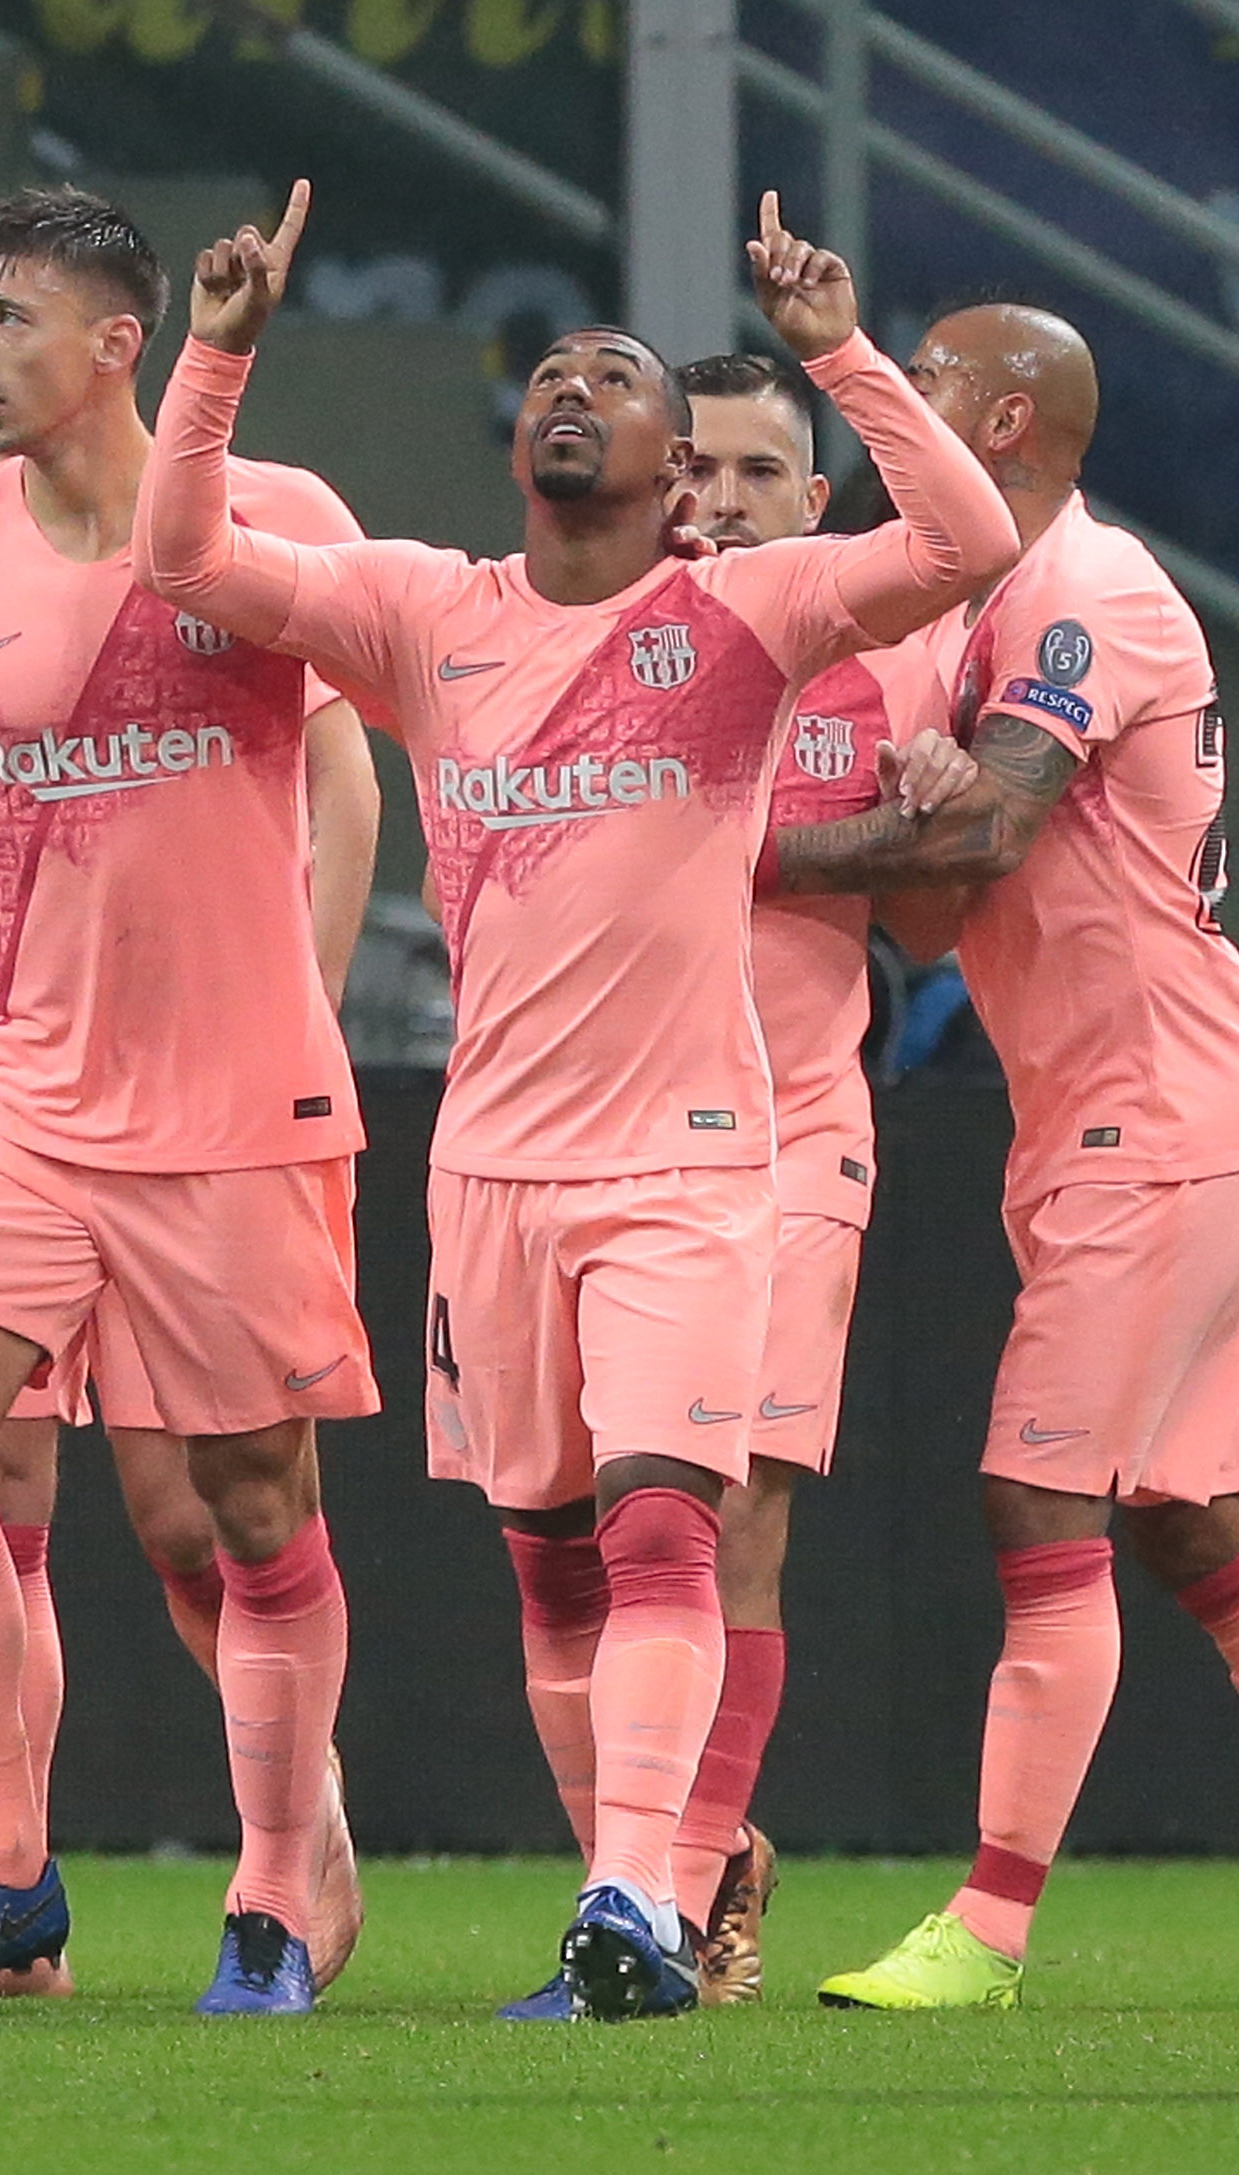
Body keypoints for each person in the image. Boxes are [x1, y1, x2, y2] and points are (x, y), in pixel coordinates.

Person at [135, 183, 1017, 2020]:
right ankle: (617, 1898)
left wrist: (841, 351)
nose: (571, 388)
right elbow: (189, 562)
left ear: (672, 465)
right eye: (549, 371)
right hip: (492, 1172)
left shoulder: (746, 613)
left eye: (612, 376)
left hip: (689, 1161)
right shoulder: (424, 614)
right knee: (548, 1571)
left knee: (665, 1527)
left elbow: (967, 536)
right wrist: (215, 357)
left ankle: (642, 1903)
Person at [756, 301, 1239, 2018]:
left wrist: (743, 848)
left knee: (1041, 1493)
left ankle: (989, 1926)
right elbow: (943, 908)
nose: (899, 407)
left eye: (929, 379)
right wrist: (901, 815)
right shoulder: (979, 610)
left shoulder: (1091, 589)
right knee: (1192, 1520)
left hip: (1158, 1117)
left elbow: (994, 822)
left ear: (1007, 422)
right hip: (1121, 1111)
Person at [0, 186, 378, 2014]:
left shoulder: (276, 516)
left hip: (231, 1098)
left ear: (123, 342)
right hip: (19, 1084)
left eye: (6, 317)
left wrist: (301, 1004)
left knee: (246, 1507)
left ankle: (276, 1888)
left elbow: (360, 768)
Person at [488, 349, 939, 2009]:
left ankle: (669, 1906)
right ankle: (667, 1862)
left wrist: (932, 805)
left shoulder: (871, 656)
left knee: (728, 1516)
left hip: (785, 1129)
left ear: (816, 502)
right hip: (568, 1139)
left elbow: (943, 911)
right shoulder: (575, 634)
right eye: (706, 470)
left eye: (764, 475)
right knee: (563, 1546)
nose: (727, 503)